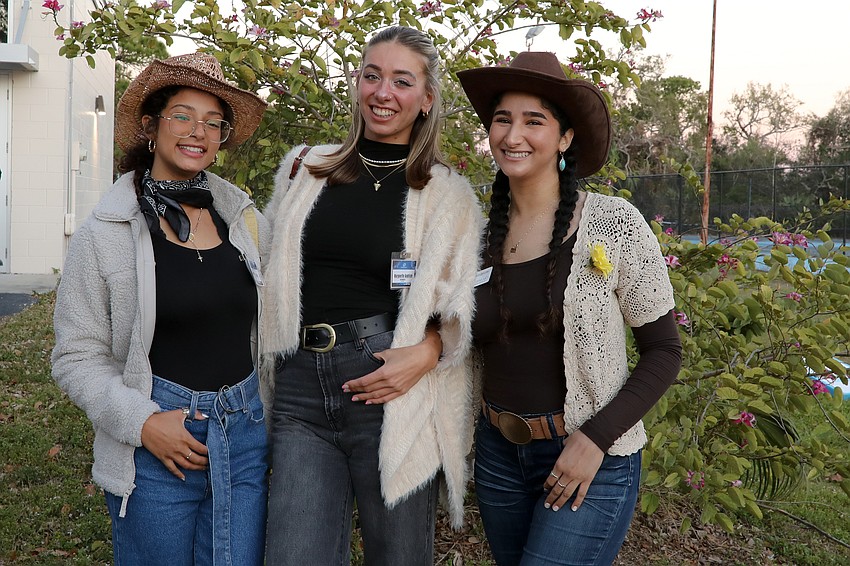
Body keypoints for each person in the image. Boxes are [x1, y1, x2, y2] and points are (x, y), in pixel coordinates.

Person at [261, 26, 483, 565]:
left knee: (399, 556)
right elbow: (261, 267)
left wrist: (427, 352)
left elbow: (464, 304)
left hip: (390, 383)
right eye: (372, 75)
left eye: (402, 81)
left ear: (427, 99)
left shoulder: (447, 194)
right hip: (299, 392)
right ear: (357, 83)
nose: (383, 92)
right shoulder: (304, 168)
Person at [457, 52, 683, 565]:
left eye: (534, 121)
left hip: (586, 456)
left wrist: (595, 439)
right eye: (502, 119)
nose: (513, 135)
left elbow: (665, 350)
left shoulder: (613, 224)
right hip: (497, 454)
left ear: (564, 138)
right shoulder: (472, 232)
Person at [51, 52, 270, 565]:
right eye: (183, 115)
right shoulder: (104, 232)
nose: (199, 131)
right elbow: (75, 356)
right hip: (156, 448)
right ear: (150, 126)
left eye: (213, 122)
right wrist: (143, 422)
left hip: (242, 441)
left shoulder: (244, 222)